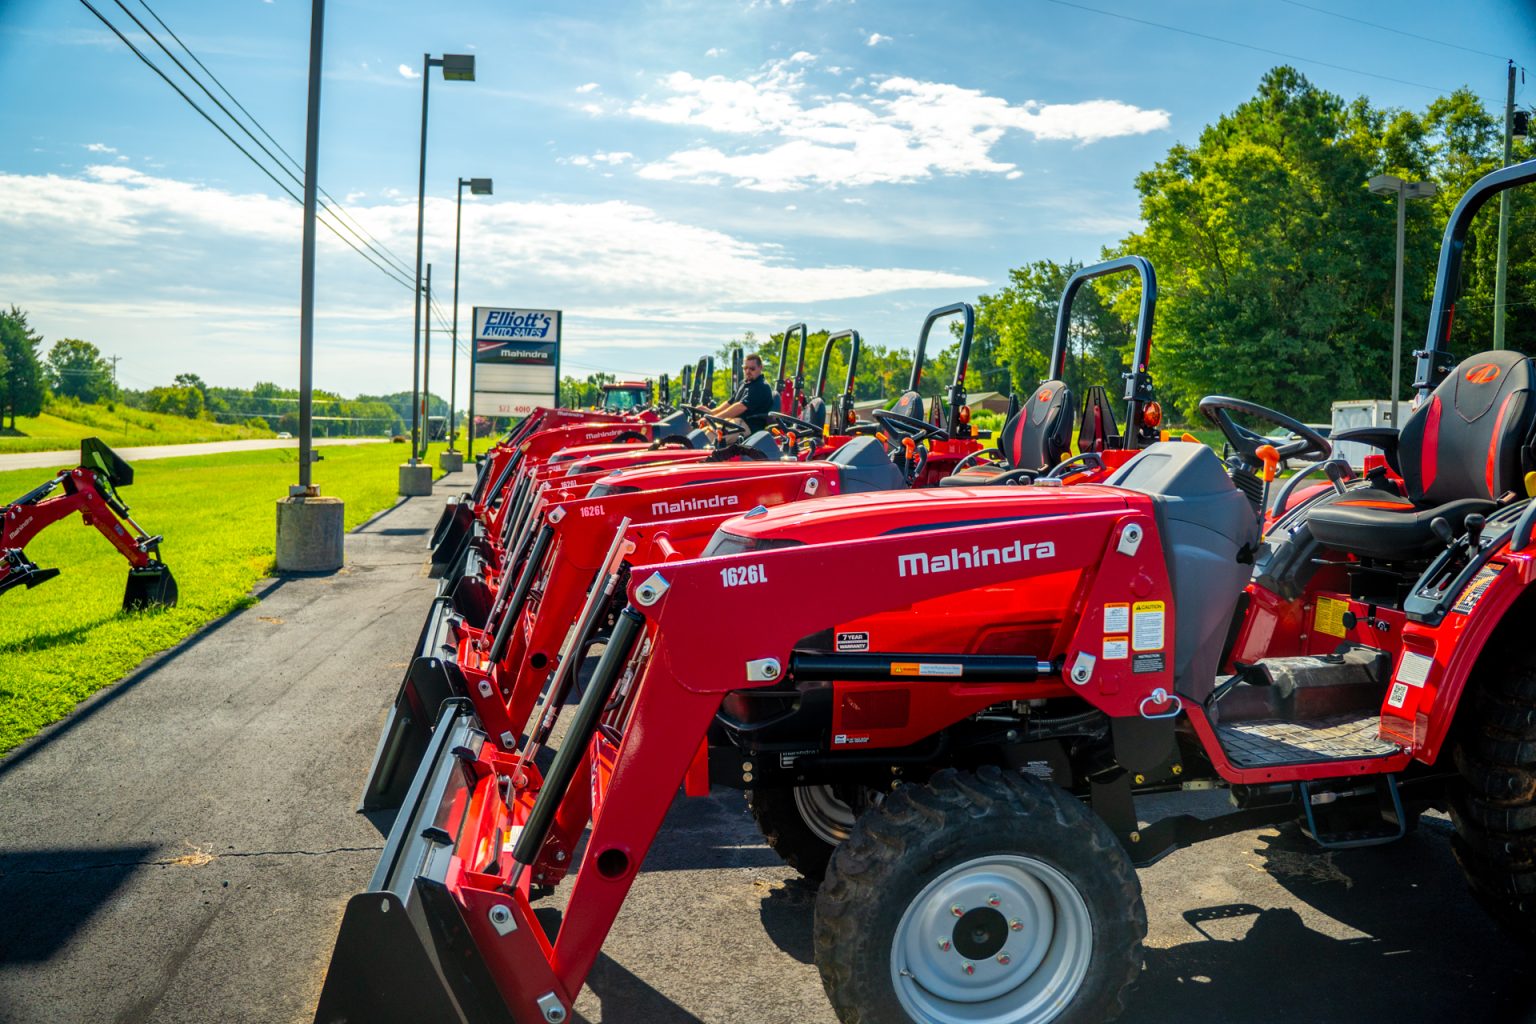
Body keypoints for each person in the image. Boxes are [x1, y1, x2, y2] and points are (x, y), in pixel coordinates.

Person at [705, 352, 774, 434]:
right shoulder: (743, 383)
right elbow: (730, 403)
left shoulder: (761, 386)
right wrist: (711, 413)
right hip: (735, 422)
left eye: (752, 369)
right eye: (745, 368)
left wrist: (713, 418)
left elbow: (740, 407)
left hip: (748, 426)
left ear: (760, 368)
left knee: (709, 434)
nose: (748, 371)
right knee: (702, 431)